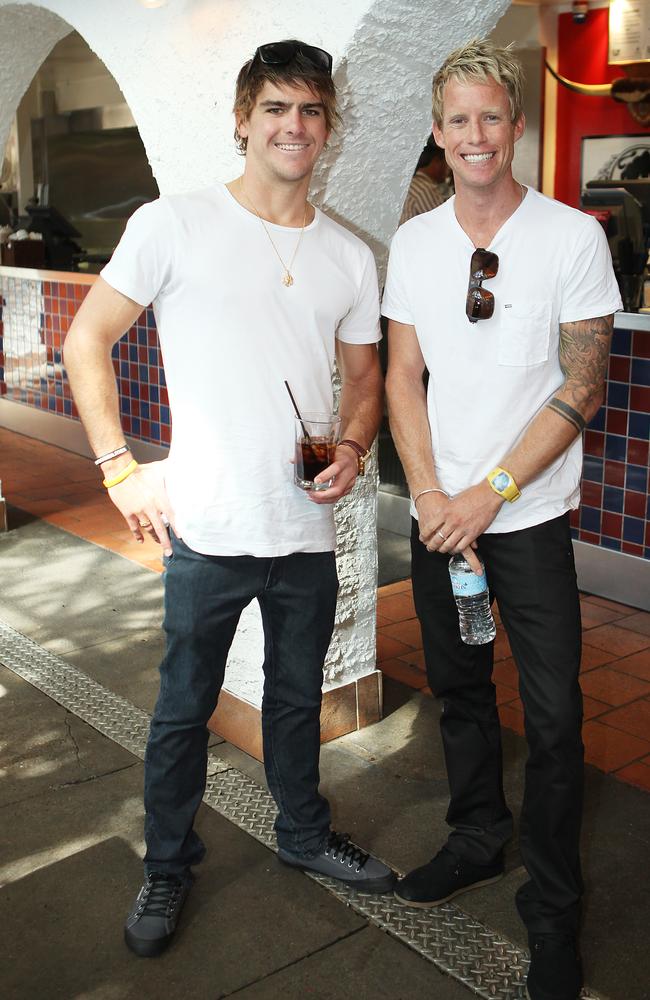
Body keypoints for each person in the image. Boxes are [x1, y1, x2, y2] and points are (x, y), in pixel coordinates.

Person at [64, 38, 392, 959]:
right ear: (243, 120)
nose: (296, 127)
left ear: (329, 127)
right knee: (182, 708)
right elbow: (86, 341)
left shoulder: (347, 255)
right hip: (206, 528)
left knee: (295, 700)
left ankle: (301, 835)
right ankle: (167, 862)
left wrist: (358, 443)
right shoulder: (174, 223)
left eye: (312, 111)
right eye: (277, 109)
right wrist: (118, 469)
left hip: (304, 527)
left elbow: (363, 377)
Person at [383, 39, 621, 1000]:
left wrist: (491, 494)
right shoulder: (414, 241)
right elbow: (403, 375)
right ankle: (478, 837)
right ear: (439, 137)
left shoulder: (571, 237)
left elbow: (583, 382)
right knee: (459, 689)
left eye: (492, 117)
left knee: (557, 718)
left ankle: (555, 911)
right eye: (458, 121)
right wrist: (435, 496)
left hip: (526, 520)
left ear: (516, 126)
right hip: (442, 516)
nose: (476, 135)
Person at [398, 136, 452, 225]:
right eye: (446, 163)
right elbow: (442, 224)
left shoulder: (413, 184)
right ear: (437, 161)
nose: (448, 169)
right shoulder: (425, 190)